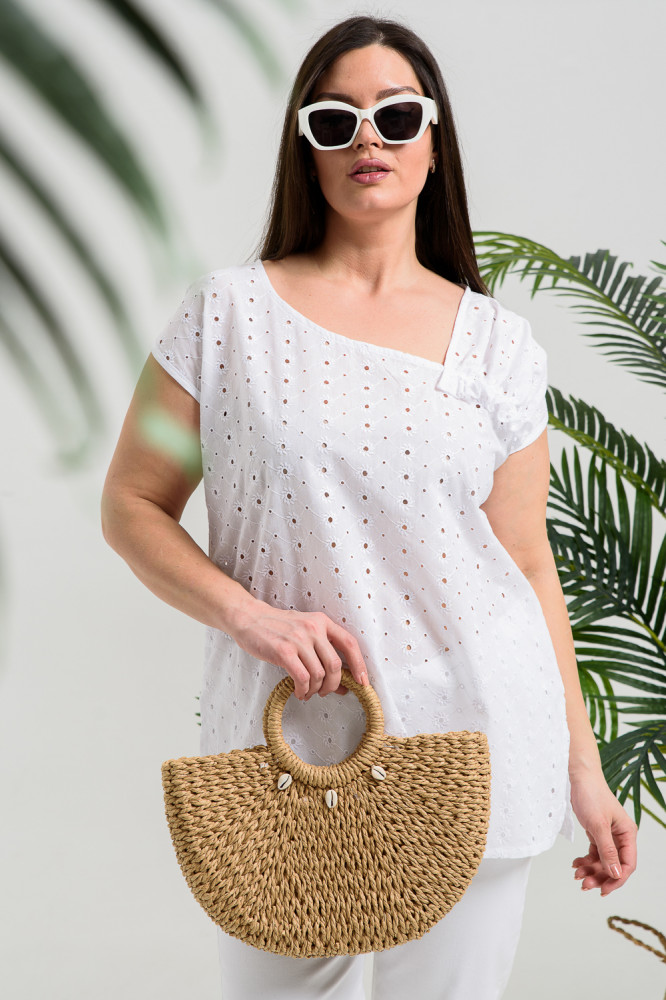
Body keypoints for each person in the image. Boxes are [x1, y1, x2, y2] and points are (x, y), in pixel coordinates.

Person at [101, 14, 638, 1000]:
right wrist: (250, 616)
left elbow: (527, 565)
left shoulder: (499, 347)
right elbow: (133, 502)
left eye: (395, 116)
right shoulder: (226, 319)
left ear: (434, 142)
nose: (367, 139)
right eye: (334, 119)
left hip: (473, 741)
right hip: (281, 750)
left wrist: (586, 772)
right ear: (305, 148)